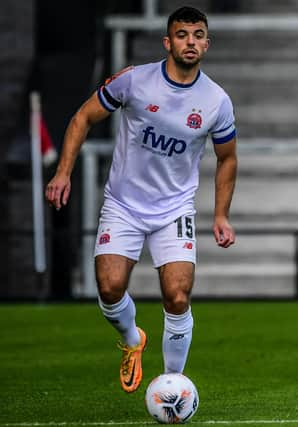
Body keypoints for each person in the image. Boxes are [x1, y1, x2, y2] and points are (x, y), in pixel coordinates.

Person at [45, 6, 238, 393]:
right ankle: (133, 339)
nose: (191, 42)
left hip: (175, 209)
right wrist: (64, 171)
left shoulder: (216, 100)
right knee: (110, 287)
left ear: (206, 43)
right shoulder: (135, 81)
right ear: (168, 42)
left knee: (178, 294)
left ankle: (174, 383)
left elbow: (227, 158)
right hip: (123, 204)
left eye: (198, 35)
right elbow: (83, 116)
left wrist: (221, 215)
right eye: (182, 35)